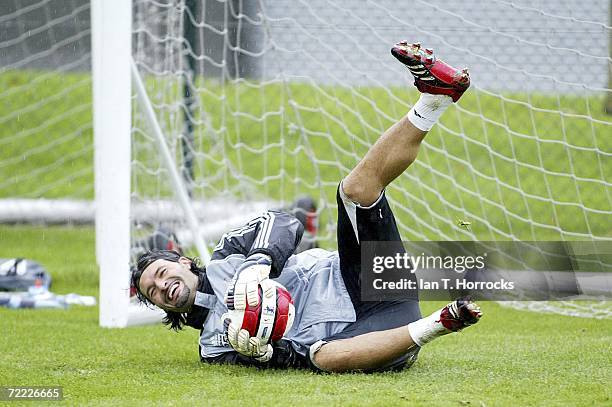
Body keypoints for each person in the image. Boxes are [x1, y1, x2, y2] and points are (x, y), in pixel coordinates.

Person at [131, 41, 482, 373]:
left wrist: (258, 263)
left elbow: (283, 223)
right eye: (154, 293)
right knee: (323, 357)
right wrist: (271, 354)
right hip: (373, 336)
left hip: (364, 275)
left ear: (183, 262)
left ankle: (434, 99)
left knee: (353, 190)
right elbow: (290, 360)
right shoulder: (214, 349)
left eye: (162, 275)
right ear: (161, 307)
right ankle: (440, 324)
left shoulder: (229, 255)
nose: (163, 287)